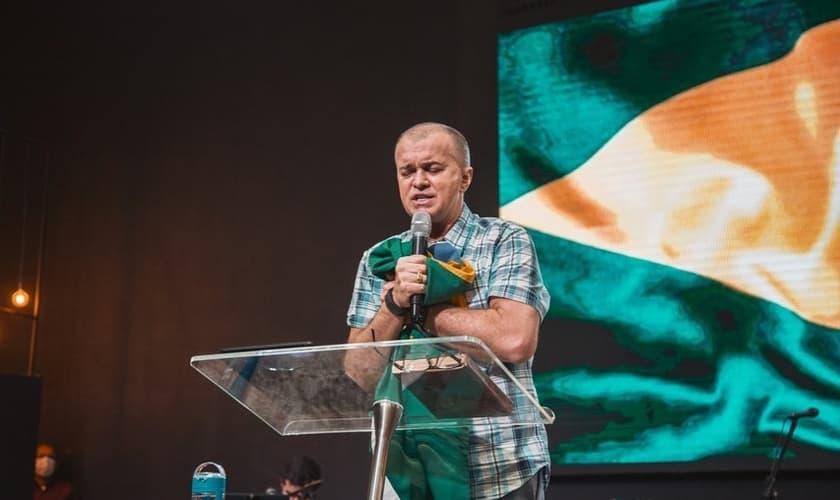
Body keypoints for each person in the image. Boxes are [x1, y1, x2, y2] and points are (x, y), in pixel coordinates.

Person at [346, 122, 551, 499]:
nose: (418, 181)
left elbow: (514, 339)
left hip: (499, 467)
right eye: (407, 172)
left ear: (465, 178)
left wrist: (423, 309)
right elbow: (359, 370)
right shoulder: (380, 259)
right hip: (410, 469)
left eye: (433, 169)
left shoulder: (503, 239)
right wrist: (395, 303)